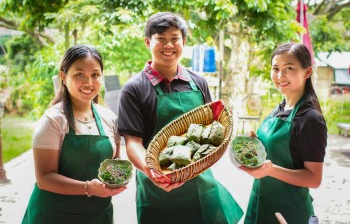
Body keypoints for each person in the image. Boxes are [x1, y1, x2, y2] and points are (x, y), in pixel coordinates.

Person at [117, 12, 243, 224]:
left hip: (202, 187)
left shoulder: (199, 82)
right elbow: (133, 144)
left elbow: (210, 129)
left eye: (175, 39)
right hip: (158, 191)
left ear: (184, 42)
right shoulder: (134, 89)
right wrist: (154, 172)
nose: (169, 45)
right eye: (161, 39)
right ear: (148, 42)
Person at [22, 44, 126, 224]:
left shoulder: (109, 118)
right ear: (63, 76)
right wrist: (88, 188)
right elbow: (44, 178)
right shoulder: (54, 120)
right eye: (79, 74)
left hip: (97, 215)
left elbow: (115, 161)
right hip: (52, 215)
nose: (88, 82)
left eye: (95, 75)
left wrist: (119, 176)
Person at [240, 42, 328, 224]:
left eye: (289, 68)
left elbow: (314, 178)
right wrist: (256, 145)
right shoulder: (280, 107)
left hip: (289, 212)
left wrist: (271, 170)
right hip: (259, 203)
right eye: (276, 68)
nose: (280, 76)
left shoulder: (310, 119)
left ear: (308, 72)